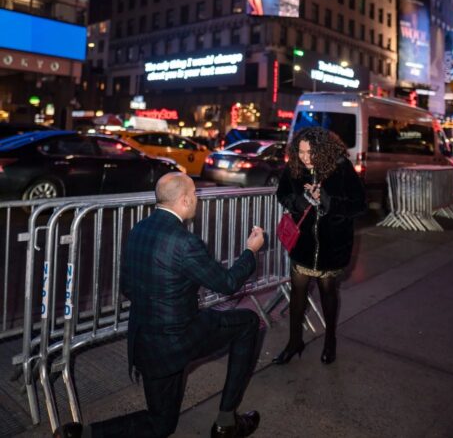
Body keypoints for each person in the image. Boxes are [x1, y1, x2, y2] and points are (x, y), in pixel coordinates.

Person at [54, 173, 265, 438]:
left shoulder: (138, 229)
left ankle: (80, 434)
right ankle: (226, 422)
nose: (197, 198)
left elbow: (127, 288)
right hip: (178, 337)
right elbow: (228, 283)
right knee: (247, 322)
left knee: (161, 424)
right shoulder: (185, 243)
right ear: (186, 200)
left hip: (145, 341)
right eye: (195, 194)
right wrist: (250, 251)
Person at [273, 127, 366, 366]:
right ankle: (294, 342)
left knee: (328, 293)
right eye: (300, 151)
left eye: (309, 152)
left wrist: (326, 201)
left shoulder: (341, 168)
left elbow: (359, 204)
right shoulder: (294, 167)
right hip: (303, 244)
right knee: (297, 293)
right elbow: (282, 193)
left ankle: (330, 340)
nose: (304, 157)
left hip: (331, 245)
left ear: (323, 150)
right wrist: (301, 201)